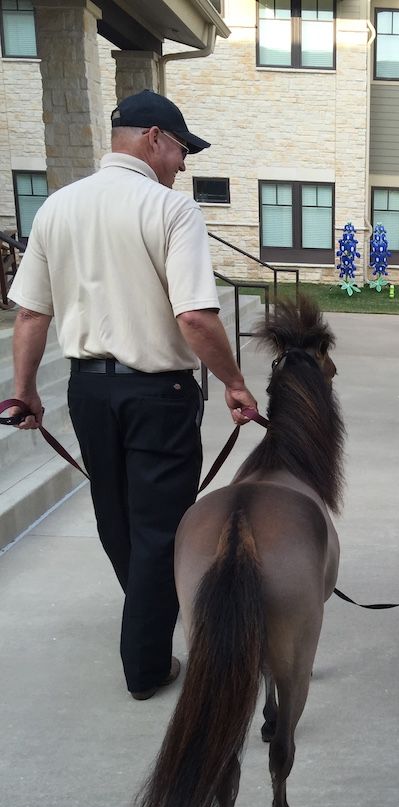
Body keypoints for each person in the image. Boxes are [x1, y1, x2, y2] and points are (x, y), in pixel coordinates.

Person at [8, 89, 259, 701]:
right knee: (158, 531)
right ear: (154, 138)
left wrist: (23, 393)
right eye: (180, 151)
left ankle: (144, 623)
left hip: (89, 393)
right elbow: (196, 318)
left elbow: (29, 315)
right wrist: (233, 381)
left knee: (116, 518)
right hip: (160, 394)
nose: (181, 164)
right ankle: (147, 664)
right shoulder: (171, 211)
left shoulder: (56, 209)